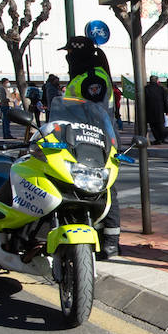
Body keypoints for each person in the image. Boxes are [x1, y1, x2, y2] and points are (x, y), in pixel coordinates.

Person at [63, 36, 120, 258]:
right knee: (86, 186)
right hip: (82, 138)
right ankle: (94, 235)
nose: (67, 57)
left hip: (99, 139)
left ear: (77, 54)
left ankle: (111, 240)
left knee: (105, 186)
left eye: (69, 53)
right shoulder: (82, 76)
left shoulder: (92, 78)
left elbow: (93, 112)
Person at [144, 75, 168, 144]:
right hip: (159, 110)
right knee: (161, 126)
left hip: (150, 110)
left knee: (153, 126)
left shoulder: (146, 88)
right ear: (157, 81)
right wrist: (166, 110)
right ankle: (161, 139)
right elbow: (165, 100)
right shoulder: (161, 89)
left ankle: (158, 139)